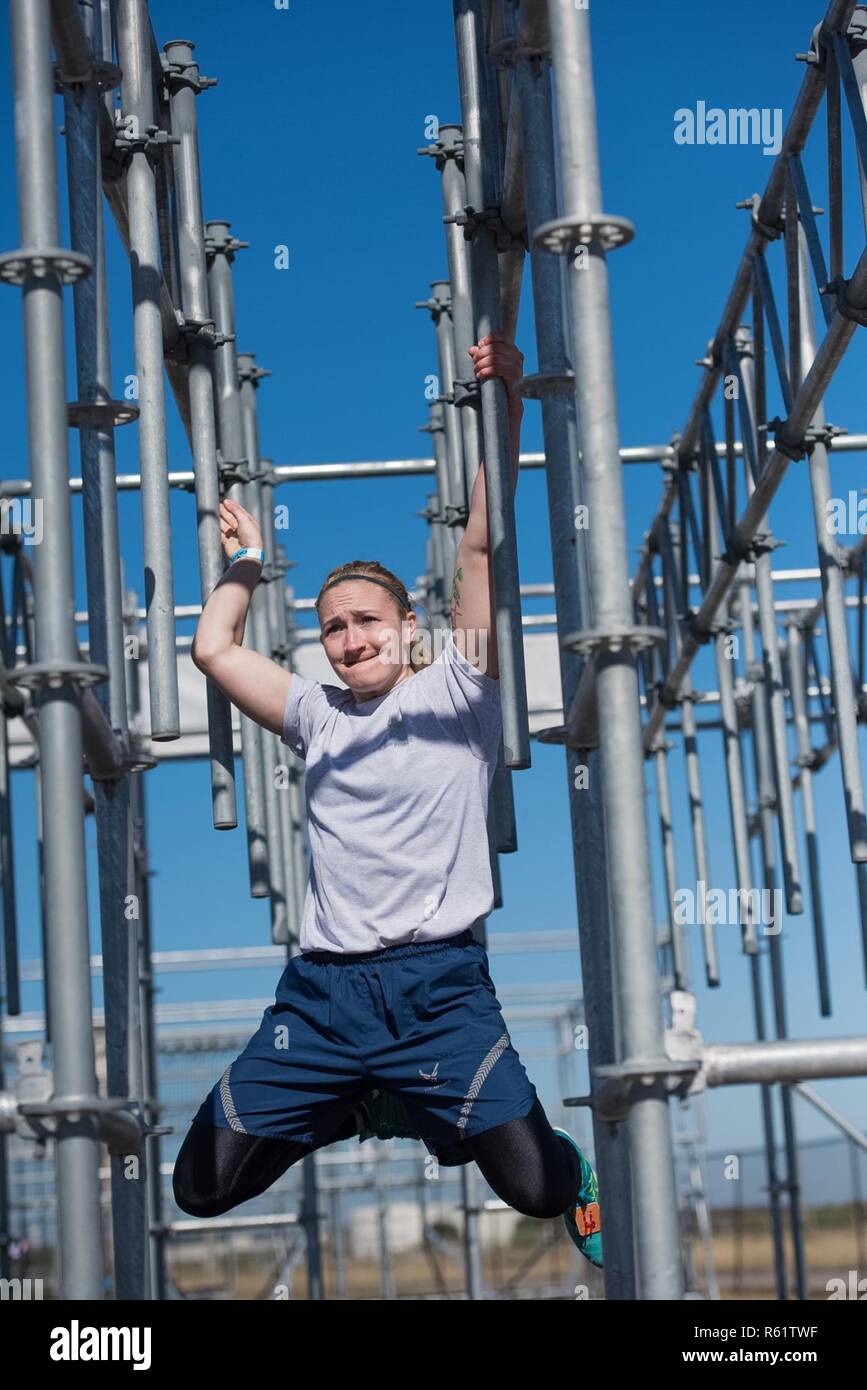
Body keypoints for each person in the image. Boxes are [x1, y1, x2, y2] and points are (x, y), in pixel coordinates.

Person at [172, 332, 602, 1270]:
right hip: (324, 996)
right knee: (199, 1187)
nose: (348, 638)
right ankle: (365, 1101)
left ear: (411, 627)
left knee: (537, 1190)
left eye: (366, 620)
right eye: (331, 628)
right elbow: (212, 651)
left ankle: (537, 1145)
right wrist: (245, 565)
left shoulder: (461, 687)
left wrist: (509, 406)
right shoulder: (315, 715)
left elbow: (481, 545)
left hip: (439, 990)